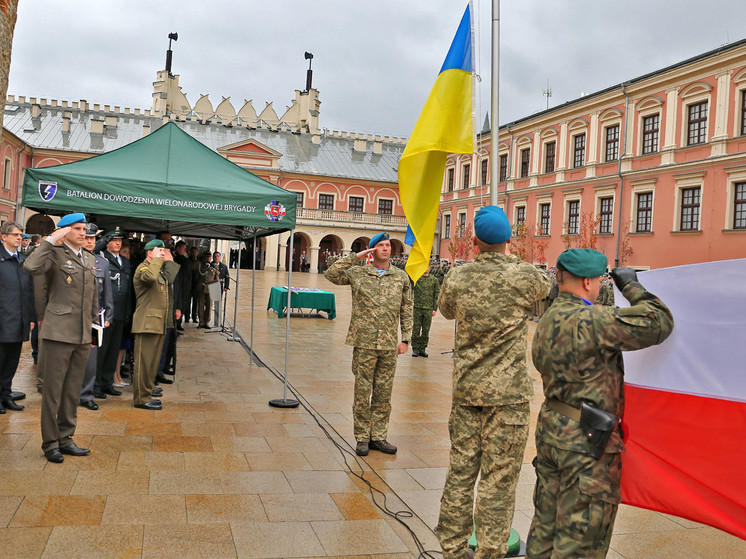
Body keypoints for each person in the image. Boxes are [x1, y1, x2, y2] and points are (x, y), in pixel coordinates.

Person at [526, 249, 674, 558]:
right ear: (589, 282)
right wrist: (632, 286)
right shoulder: (592, 320)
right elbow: (659, 322)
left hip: (553, 430)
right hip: (585, 441)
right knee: (581, 538)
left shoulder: (548, 317)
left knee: (545, 528)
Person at [435, 206, 551, 559]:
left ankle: (453, 550)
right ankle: (490, 552)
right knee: (498, 480)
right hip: (509, 396)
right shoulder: (526, 276)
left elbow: (446, 311)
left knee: (461, 471)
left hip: (468, 390)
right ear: (508, 240)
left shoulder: (457, 277)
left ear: (473, 242)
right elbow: (545, 288)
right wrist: (512, 260)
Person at [325, 232, 413, 457]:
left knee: (384, 394)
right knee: (363, 392)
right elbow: (331, 273)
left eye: (388, 245)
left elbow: (406, 308)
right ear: (373, 250)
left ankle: (379, 437)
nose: (386, 249)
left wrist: (405, 339)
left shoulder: (400, 277)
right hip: (364, 342)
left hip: (388, 345)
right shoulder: (358, 273)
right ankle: (362, 437)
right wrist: (357, 256)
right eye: (381, 246)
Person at [24, 213, 98, 463]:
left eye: (84, 229)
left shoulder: (88, 258)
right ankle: (50, 443)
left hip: (81, 333)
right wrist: (49, 240)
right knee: (53, 391)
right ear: (64, 231)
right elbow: (31, 267)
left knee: (71, 391)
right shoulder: (53, 255)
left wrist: (93, 329)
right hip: (58, 332)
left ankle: (66, 438)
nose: (83, 233)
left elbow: (93, 298)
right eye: (77, 228)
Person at [131, 240, 180, 410]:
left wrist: (170, 260)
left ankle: (148, 389)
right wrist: (158, 260)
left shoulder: (157, 268)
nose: (162, 254)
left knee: (152, 363)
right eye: (160, 251)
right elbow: (150, 278)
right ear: (149, 252)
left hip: (158, 323)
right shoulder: (143, 268)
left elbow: (168, 278)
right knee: (144, 363)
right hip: (146, 323)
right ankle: (141, 398)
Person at [0, 221, 36, 413]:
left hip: (19, 320)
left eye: (20, 235)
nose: (19, 238)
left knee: (12, 362)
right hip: (3, 320)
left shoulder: (22, 260)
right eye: (15, 234)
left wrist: (30, 317)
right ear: (3, 237)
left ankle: (6, 396)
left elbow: (29, 292)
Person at [94, 226, 131, 399]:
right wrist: (101, 241)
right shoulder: (101, 259)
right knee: (102, 349)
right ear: (108, 242)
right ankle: (97, 384)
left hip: (121, 311)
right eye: (114, 240)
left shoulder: (126, 261)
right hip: (106, 312)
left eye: (119, 241)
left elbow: (128, 289)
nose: (117, 243)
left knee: (113, 349)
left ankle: (108, 382)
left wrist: (128, 311)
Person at [79, 223, 113, 411]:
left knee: (91, 360)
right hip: (73, 317)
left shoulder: (102, 263)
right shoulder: (71, 259)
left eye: (93, 238)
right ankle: (69, 393)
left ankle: (86, 395)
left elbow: (107, 293)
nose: (90, 241)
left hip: (94, 319)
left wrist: (109, 314)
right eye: (87, 238)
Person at [411, 268, 440, 357]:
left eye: (427, 266)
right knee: (416, 329)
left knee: (426, 330)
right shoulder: (416, 279)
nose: (425, 269)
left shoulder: (434, 280)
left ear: (430, 267)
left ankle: (422, 349)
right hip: (417, 308)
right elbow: (410, 276)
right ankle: (415, 349)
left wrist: (435, 308)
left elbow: (436, 295)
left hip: (428, 309)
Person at [195, 251, 218, 329]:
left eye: (209, 257)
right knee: (200, 306)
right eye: (206, 257)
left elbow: (216, 278)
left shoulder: (214, 267)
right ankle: (201, 322)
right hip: (201, 288)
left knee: (209, 306)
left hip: (210, 289)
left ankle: (206, 322)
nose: (208, 258)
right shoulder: (200, 266)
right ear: (204, 258)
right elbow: (196, 276)